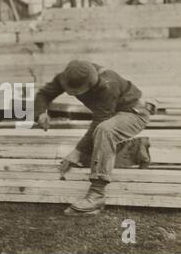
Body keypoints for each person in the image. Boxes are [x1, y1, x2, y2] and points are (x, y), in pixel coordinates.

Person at [34, 60, 153, 216]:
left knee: (105, 131)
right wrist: (41, 112)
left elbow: (101, 121)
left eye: (76, 92)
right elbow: (44, 93)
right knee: (92, 154)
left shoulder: (108, 84)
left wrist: (76, 151)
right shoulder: (70, 75)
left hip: (134, 113)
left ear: (90, 84)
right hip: (113, 113)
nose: (71, 93)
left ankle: (97, 194)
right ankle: (136, 150)